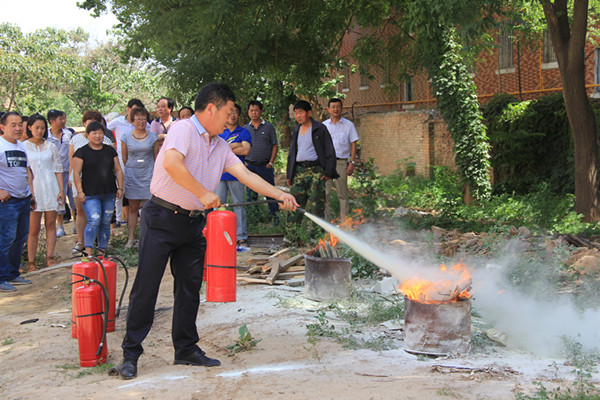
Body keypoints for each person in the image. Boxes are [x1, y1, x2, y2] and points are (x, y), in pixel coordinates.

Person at [117, 82, 298, 380]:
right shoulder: (183, 129)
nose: (231, 118)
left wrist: (279, 195)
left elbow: (244, 174)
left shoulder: (221, 145)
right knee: (147, 287)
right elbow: (172, 163)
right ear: (211, 108)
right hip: (162, 217)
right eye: (229, 111)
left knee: (189, 288)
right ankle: (130, 354)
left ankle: (186, 348)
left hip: (192, 224)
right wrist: (202, 192)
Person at [72, 122, 124, 256]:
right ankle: (88, 252)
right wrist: (80, 191)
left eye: (100, 133)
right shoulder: (81, 152)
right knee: (94, 220)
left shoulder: (110, 150)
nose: (97, 136)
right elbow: (76, 173)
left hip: (109, 192)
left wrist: (120, 188)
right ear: (87, 135)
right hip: (90, 194)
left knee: (106, 222)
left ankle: (102, 252)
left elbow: (118, 170)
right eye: (94, 133)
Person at [286, 100, 338, 222]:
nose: (298, 116)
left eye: (301, 112)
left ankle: (316, 233)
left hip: (315, 171)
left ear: (309, 113)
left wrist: (328, 172)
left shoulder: (320, 128)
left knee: (317, 207)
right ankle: (292, 233)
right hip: (299, 171)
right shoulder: (296, 129)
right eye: (296, 113)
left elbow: (330, 151)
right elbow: (291, 154)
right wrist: (289, 174)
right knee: (294, 205)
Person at [24, 114, 64, 270]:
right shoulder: (23, 147)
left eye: (42, 128)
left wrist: (61, 190)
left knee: (50, 224)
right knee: (33, 228)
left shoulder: (51, 146)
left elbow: (58, 170)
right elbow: (25, 172)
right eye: (36, 128)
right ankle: (31, 261)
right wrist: (30, 193)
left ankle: (50, 256)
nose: (39, 131)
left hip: (51, 187)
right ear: (29, 128)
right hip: (34, 189)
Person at [0, 112, 33, 292]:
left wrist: (31, 194)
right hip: (7, 202)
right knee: (6, 239)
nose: (18, 128)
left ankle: (13, 273)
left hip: (23, 199)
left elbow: (26, 172)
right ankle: (2, 277)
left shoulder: (21, 146)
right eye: (13, 125)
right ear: (2, 127)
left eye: (20, 124)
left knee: (20, 238)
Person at [121, 107, 160, 248]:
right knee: (133, 207)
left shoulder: (153, 137)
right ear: (133, 120)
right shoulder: (125, 137)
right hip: (132, 175)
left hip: (148, 174)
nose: (141, 121)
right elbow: (124, 157)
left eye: (143, 119)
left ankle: (148, 237)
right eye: (138, 119)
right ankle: (131, 238)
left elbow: (156, 157)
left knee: (149, 207)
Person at [107, 99, 149, 226]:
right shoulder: (117, 122)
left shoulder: (144, 125)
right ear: (128, 109)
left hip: (140, 162)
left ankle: (141, 219)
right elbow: (105, 130)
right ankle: (118, 218)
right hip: (120, 161)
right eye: (134, 110)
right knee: (120, 188)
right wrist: (111, 145)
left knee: (140, 189)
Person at [216, 103, 252, 246]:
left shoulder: (244, 132)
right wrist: (236, 145)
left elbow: (246, 150)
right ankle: (219, 235)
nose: (232, 115)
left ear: (239, 114)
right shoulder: (219, 131)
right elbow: (215, 150)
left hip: (237, 175)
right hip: (219, 175)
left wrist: (225, 147)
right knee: (219, 206)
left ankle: (241, 236)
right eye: (230, 112)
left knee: (239, 204)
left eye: (235, 112)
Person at [322, 98, 359, 222]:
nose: (336, 109)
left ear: (341, 109)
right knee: (325, 194)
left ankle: (344, 224)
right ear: (328, 109)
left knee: (342, 194)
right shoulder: (323, 126)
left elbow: (353, 144)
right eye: (333, 107)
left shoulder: (349, 125)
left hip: (341, 163)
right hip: (326, 164)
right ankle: (326, 224)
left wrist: (352, 163)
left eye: (338, 107)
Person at [243, 100, 279, 221]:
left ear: (261, 112)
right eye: (251, 110)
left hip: (265, 166)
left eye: (256, 110)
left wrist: (271, 163)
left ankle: (275, 218)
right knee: (251, 195)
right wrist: (244, 162)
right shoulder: (245, 129)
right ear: (248, 112)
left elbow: (274, 145)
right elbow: (241, 147)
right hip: (250, 167)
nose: (254, 113)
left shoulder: (268, 127)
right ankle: (254, 219)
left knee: (270, 193)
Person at [47, 110, 74, 236]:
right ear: (52, 121)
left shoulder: (69, 133)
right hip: (55, 173)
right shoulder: (46, 136)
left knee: (73, 198)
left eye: (64, 118)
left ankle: (76, 223)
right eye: (60, 119)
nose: (63, 121)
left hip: (69, 170)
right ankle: (60, 226)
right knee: (59, 199)